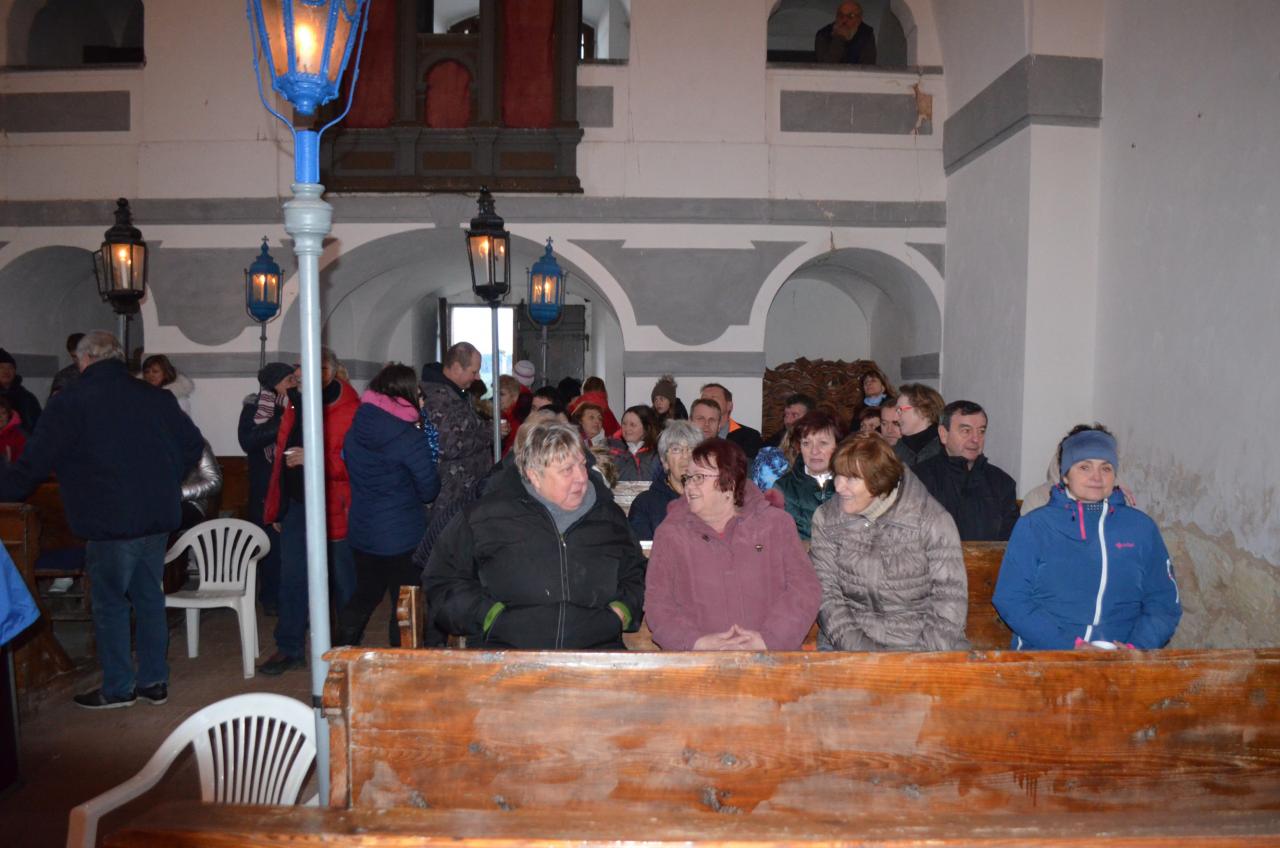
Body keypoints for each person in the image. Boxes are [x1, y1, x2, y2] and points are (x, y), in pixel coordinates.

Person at [0, 331, 204, 708]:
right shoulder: (156, 397)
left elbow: (34, 464)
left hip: (110, 519)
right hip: (156, 515)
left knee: (110, 603)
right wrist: (163, 478)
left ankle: (118, 688)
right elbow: (193, 446)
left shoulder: (70, 401)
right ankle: (154, 682)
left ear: (85, 359)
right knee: (148, 598)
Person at [425, 420, 646, 649]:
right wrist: (489, 617)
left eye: (582, 465)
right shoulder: (485, 517)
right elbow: (443, 580)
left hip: (596, 654)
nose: (581, 477)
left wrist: (621, 612)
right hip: (508, 655)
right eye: (567, 470)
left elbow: (635, 573)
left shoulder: (609, 517)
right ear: (535, 476)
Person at [992, 425, 1181, 651]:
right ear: (1065, 475)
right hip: (1047, 655)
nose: (1097, 477)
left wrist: (1136, 647)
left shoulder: (1141, 528)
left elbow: (1163, 602)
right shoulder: (1035, 526)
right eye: (1084, 467)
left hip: (1123, 658)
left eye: (1106, 468)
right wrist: (1070, 646)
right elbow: (1011, 599)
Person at [645, 438, 820, 650]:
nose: (689, 485)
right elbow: (658, 604)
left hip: (769, 660)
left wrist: (769, 640)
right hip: (698, 663)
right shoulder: (671, 533)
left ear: (729, 482)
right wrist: (697, 643)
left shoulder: (775, 525)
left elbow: (804, 590)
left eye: (699, 477)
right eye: (688, 478)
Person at [809, 435, 968, 652]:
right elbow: (827, 596)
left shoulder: (931, 520)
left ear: (879, 481)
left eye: (851, 478)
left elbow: (950, 599)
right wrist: (867, 654)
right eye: (838, 475)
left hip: (921, 647)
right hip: (848, 646)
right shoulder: (827, 519)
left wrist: (917, 660)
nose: (838, 487)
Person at [258, 347, 359, 675]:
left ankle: (347, 651)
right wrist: (279, 505)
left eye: (303, 367)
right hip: (297, 505)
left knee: (342, 582)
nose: (296, 373)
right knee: (292, 579)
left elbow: (354, 463)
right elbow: (281, 460)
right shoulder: (295, 403)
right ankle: (289, 647)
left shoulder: (349, 407)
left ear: (325, 371)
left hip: (334, 507)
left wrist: (313, 458)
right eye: (297, 367)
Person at [337, 364, 441, 647]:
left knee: (364, 595)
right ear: (404, 392)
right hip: (401, 536)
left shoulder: (356, 428)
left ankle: (341, 653)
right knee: (405, 605)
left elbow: (349, 465)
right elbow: (429, 489)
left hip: (363, 530)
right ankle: (400, 661)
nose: (421, 396)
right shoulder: (408, 437)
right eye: (417, 391)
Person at [238, 362, 297, 615]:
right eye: (288, 380)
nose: (294, 384)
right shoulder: (254, 408)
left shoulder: (296, 406)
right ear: (274, 385)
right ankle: (271, 600)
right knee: (271, 548)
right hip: (265, 488)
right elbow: (249, 441)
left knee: (289, 549)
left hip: (289, 486)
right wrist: (281, 420)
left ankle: (290, 601)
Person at [913, 400, 1019, 542]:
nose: (975, 439)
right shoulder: (918, 480)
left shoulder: (1001, 483)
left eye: (981, 431)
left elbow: (1011, 542)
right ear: (943, 434)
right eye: (966, 431)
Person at [419, 342, 492, 529]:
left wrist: (486, 428)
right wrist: (489, 434)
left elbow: (464, 429)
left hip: (461, 490)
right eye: (474, 372)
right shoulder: (438, 398)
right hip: (449, 494)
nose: (477, 377)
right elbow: (449, 445)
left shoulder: (456, 394)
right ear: (458, 367)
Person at [772, 411, 843, 541]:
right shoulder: (783, 488)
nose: (814, 451)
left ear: (838, 446)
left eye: (823, 443)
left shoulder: (854, 486)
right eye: (806, 443)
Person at [629, 419, 702, 541]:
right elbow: (641, 549)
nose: (686, 456)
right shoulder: (645, 503)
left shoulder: (712, 499)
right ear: (665, 461)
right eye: (676, 449)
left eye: (692, 449)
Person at [700, 383, 763, 460]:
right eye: (704, 399)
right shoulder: (691, 434)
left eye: (714, 398)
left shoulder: (750, 436)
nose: (707, 402)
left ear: (729, 406)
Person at [891, 383, 944, 467]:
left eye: (900, 410)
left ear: (922, 411)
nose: (894, 418)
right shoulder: (892, 453)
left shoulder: (946, 451)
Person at [609, 405, 661, 483]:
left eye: (632, 425)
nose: (627, 429)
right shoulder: (610, 451)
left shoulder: (658, 455)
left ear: (646, 428)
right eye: (624, 424)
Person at [814, 1, 877, 65]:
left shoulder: (866, 34)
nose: (844, 20)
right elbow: (826, 66)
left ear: (859, 19)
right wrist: (839, 38)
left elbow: (867, 65)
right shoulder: (823, 34)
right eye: (841, 15)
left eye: (851, 16)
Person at [0, 348, 41, 435]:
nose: (6, 371)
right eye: (1, 367)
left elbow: (39, 426)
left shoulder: (27, 397)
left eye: (10, 367)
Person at [49, 332, 85, 399]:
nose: (79, 360)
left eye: (82, 355)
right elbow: (55, 402)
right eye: (74, 356)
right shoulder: (64, 376)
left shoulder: (99, 372)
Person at [0, 396, 26, 464]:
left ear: (8, 416)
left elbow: (23, 463)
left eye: (3, 413)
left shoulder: (17, 436)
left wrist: (8, 464)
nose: (0, 417)